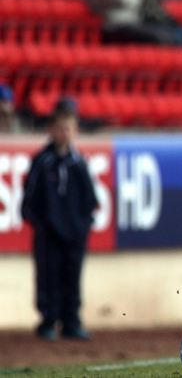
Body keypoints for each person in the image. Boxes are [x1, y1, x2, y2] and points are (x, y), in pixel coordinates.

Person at [22, 99, 98, 341]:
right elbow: (30, 197)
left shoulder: (79, 163)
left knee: (72, 277)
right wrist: (41, 223)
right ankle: (48, 320)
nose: (64, 133)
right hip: (49, 232)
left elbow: (90, 198)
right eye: (59, 128)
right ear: (51, 130)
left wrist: (83, 224)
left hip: (75, 232)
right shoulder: (42, 162)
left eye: (68, 128)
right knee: (48, 277)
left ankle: (71, 321)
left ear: (75, 131)